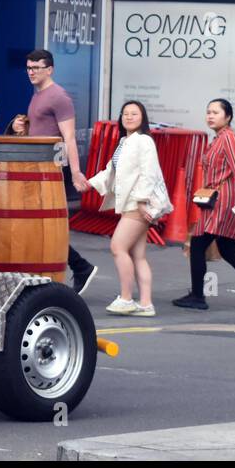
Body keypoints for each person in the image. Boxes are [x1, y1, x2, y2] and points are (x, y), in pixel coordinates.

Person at [173, 99, 235, 316]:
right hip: (219, 200)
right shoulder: (219, 138)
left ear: (228, 117)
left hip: (222, 202)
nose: (210, 116)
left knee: (198, 244)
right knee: (229, 251)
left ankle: (197, 296)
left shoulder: (228, 138)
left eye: (215, 112)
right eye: (208, 112)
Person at [24, 49, 98, 295]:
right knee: (38, 225)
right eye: (29, 68)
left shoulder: (59, 97)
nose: (32, 72)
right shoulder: (38, 96)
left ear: (50, 69)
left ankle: (80, 267)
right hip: (37, 167)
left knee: (48, 224)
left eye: (37, 68)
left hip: (53, 168)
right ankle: (77, 268)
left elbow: (69, 138)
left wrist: (76, 172)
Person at [86, 101, 168, 316]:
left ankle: (126, 298)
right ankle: (146, 303)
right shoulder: (125, 141)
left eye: (134, 113)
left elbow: (149, 173)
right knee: (138, 255)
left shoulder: (144, 141)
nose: (129, 117)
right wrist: (89, 184)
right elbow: (109, 172)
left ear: (143, 117)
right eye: (125, 114)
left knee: (117, 247)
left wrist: (141, 200)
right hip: (133, 204)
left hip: (136, 205)